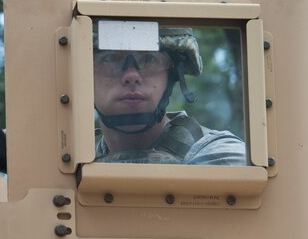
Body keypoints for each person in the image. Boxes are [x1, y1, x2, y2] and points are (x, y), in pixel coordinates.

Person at [93, 25, 246, 165]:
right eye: (110, 59)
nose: (132, 76)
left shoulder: (221, 154)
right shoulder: (80, 161)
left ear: (172, 75)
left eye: (149, 59)